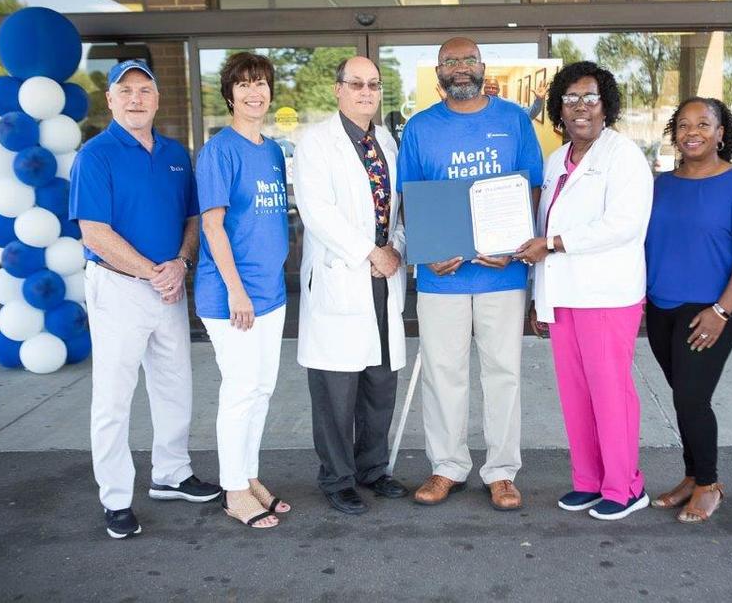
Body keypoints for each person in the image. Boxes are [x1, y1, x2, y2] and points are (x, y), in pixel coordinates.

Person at [69, 59, 220, 539]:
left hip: (168, 285)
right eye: (126, 90)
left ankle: (171, 474)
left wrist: (181, 263)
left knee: (174, 384)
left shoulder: (176, 154)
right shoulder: (95, 155)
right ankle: (115, 498)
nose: (136, 98)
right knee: (113, 397)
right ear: (110, 99)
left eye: (145, 90)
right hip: (118, 288)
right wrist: (152, 271)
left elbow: (193, 218)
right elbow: (94, 231)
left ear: (157, 99)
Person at [397, 37, 543, 510]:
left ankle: (501, 471)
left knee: (503, 374)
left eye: (468, 60)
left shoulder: (514, 120)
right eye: (450, 61)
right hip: (442, 277)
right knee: (443, 374)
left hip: (502, 273)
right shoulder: (420, 128)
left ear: (482, 66)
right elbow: (409, 198)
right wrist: (426, 251)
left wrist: (516, 247)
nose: (460, 67)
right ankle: (447, 466)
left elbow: (532, 188)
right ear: (439, 72)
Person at [515, 61, 653, 521]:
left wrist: (554, 244)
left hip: (606, 295)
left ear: (605, 105)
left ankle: (626, 487)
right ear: (559, 107)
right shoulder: (557, 160)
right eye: (571, 99)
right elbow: (541, 225)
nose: (580, 107)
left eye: (590, 98)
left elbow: (623, 224)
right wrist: (540, 299)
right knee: (576, 395)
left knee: (610, 394)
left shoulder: (623, 156)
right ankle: (589, 482)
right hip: (563, 295)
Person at [292, 56, 409, 515]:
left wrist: (394, 248)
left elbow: (397, 210)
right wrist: (370, 253)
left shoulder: (386, 142)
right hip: (342, 276)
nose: (366, 92)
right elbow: (317, 212)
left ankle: (372, 469)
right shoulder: (316, 143)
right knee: (336, 390)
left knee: (380, 382)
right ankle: (337, 477)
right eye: (356, 83)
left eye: (373, 85)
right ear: (338, 89)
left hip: (382, 278)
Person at [644, 97, 732, 523]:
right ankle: (692, 476)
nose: (691, 132)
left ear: (720, 133)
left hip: (710, 310)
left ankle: (709, 483)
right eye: (683, 124)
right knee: (683, 398)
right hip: (661, 307)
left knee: (692, 398)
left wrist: (722, 311)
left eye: (703, 124)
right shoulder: (660, 184)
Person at [195, 52, 290, 529]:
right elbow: (213, 227)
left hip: (271, 294)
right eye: (244, 85)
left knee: (261, 390)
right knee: (240, 390)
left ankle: (248, 475)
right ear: (230, 95)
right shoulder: (219, 151)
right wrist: (236, 291)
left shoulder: (272, 151)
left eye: (261, 84)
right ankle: (233, 490)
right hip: (232, 296)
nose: (255, 93)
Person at [483, 76, 547, 121]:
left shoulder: (508, 105)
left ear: (499, 90)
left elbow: (528, 115)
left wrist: (539, 100)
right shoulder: (477, 104)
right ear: (484, 89)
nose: (491, 90)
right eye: (488, 87)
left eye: (494, 88)